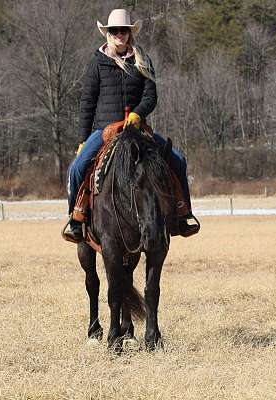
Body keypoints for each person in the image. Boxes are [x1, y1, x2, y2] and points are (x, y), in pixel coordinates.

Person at [64, 8, 199, 243]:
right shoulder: (97, 63)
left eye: (124, 31)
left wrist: (137, 114)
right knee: (77, 168)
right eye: (115, 31)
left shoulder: (142, 59)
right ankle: (76, 219)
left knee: (178, 159)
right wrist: (83, 139)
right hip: (105, 129)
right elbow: (87, 102)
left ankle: (182, 213)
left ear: (129, 33)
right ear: (108, 33)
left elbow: (151, 95)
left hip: (137, 128)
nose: (120, 35)